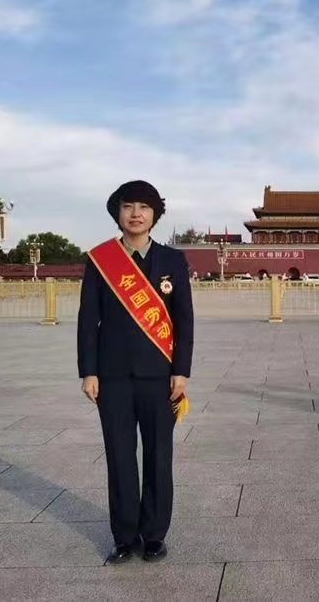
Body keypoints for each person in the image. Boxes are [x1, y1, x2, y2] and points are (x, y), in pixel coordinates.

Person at [77, 180, 194, 564]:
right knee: (119, 456)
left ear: (155, 214)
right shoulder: (101, 260)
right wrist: (89, 371)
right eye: (128, 206)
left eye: (144, 207)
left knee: (159, 455)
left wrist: (181, 370)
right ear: (118, 212)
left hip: (159, 376)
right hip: (111, 377)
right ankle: (124, 536)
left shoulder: (172, 260)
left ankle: (155, 535)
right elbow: (88, 320)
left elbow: (184, 319)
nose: (136, 214)